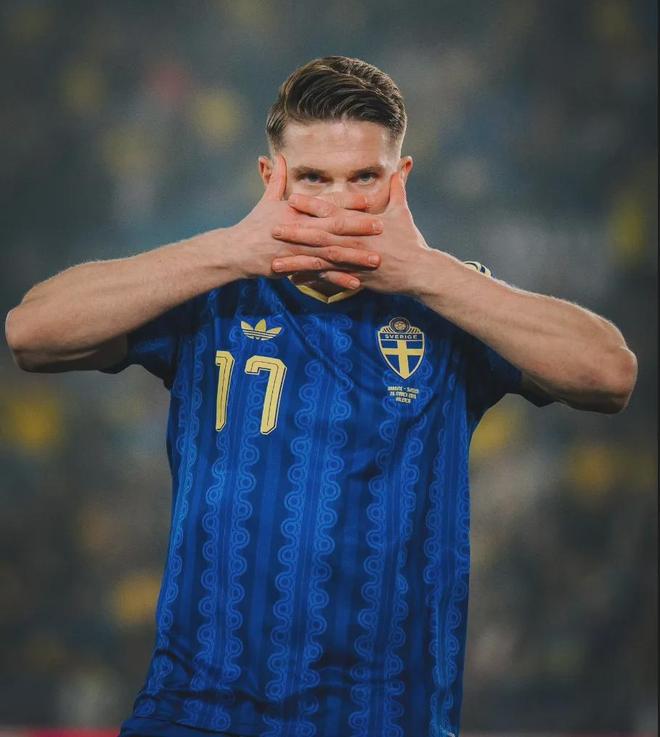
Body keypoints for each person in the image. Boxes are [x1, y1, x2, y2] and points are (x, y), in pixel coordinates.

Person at [5, 56, 637, 737]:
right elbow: (31, 334)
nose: (339, 203)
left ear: (400, 180)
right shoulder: (210, 295)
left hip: (382, 719)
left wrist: (426, 271)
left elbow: (610, 374)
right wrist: (231, 249)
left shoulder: (451, 305)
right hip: (195, 712)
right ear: (270, 178)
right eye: (313, 178)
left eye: (364, 177)